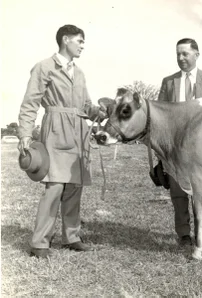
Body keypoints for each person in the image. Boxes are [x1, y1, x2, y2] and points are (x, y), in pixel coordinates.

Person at [18, 24, 107, 258]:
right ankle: (39, 242)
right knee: (55, 186)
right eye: (79, 41)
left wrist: (100, 111)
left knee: (74, 185)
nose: (82, 46)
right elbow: (30, 104)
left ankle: (72, 237)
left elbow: (86, 106)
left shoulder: (79, 72)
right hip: (56, 128)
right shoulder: (44, 67)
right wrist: (25, 134)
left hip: (79, 131)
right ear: (65, 40)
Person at [158, 38, 202, 245]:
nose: (181, 58)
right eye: (178, 54)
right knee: (178, 192)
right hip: (175, 147)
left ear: (196, 54)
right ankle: (183, 235)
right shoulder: (168, 82)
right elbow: (160, 114)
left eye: (185, 53)